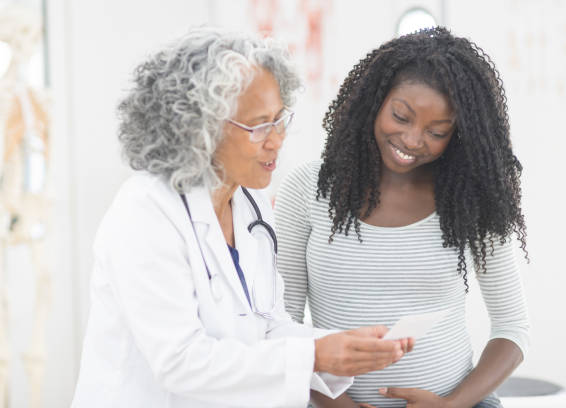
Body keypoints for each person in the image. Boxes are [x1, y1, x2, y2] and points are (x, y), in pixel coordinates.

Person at [70, 27, 414, 408]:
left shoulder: (250, 201)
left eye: (279, 119)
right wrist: (315, 356)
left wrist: (342, 347)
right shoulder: (145, 213)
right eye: (258, 126)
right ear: (198, 130)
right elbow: (180, 363)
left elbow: (266, 324)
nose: (277, 140)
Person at [275, 27, 530, 408]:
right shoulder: (308, 189)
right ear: (373, 103)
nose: (412, 140)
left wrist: (451, 405)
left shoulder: (470, 201)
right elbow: (282, 325)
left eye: (437, 131)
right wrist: (335, 404)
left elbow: (512, 330)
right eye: (401, 116)